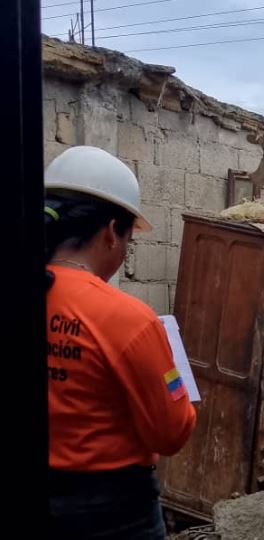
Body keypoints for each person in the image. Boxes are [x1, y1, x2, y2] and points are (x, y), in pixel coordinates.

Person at [45, 146, 197, 539]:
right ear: (112, 233)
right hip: (114, 512)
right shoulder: (128, 319)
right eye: (130, 238)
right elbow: (171, 432)